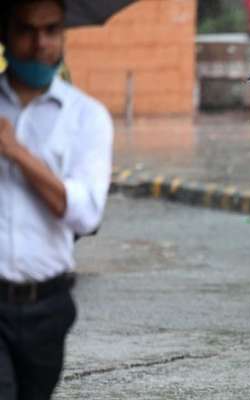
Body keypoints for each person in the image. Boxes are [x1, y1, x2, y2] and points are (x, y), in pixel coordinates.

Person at [0, 0, 113, 399]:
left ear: (64, 34)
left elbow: (85, 215)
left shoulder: (87, 117)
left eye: (50, 30)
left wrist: (16, 152)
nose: (39, 43)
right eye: (26, 30)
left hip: (46, 307)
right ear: (5, 35)